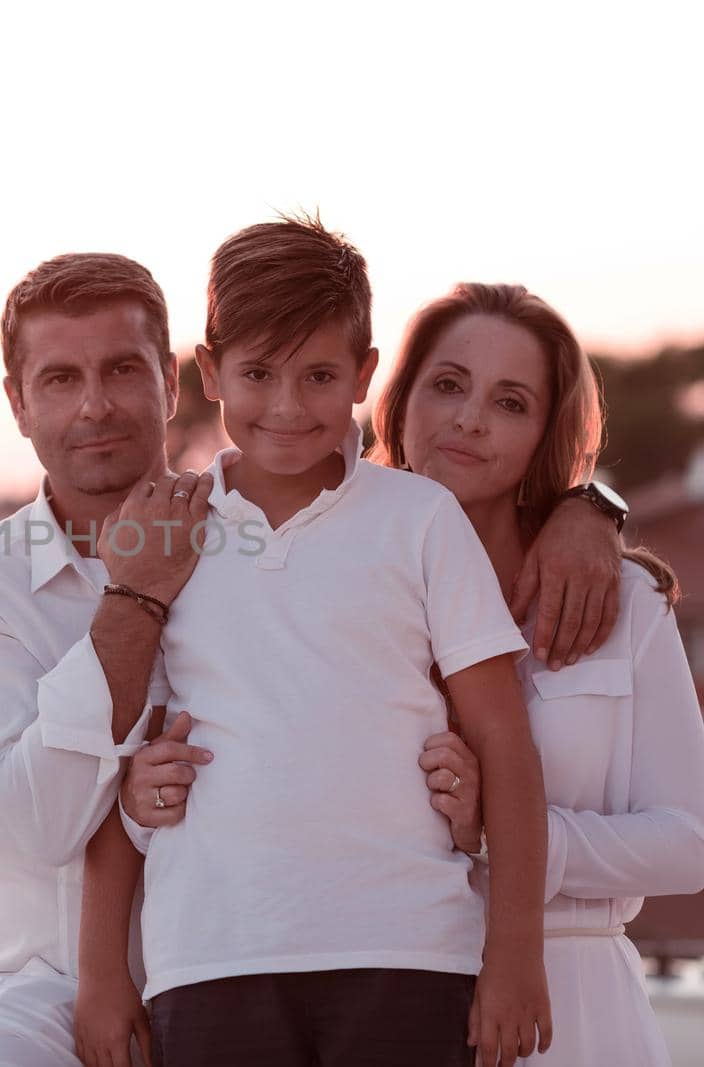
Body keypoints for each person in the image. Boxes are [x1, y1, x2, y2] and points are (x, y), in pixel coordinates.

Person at [0, 252, 621, 1067]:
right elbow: (67, 812)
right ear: (18, 400)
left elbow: (418, 531)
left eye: (122, 370)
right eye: (61, 379)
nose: (96, 406)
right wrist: (135, 600)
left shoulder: (350, 516)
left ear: (174, 381)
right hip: (101, 974)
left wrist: (591, 504)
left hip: (372, 946)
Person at [77, 217, 552, 1067]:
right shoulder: (161, 528)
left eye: (321, 374)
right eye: (258, 373)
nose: (289, 406)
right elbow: (119, 756)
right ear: (210, 369)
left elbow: (505, 741)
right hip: (212, 957)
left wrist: (515, 953)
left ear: (366, 374)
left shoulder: (420, 520)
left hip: (410, 950)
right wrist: (102, 974)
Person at [372, 282, 704, 1066]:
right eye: (448, 385)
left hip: (579, 1003)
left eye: (511, 402)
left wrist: (508, 833)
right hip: (386, 989)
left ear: (543, 435)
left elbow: (688, 844)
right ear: (400, 403)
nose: (468, 419)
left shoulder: (621, 599)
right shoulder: (342, 590)